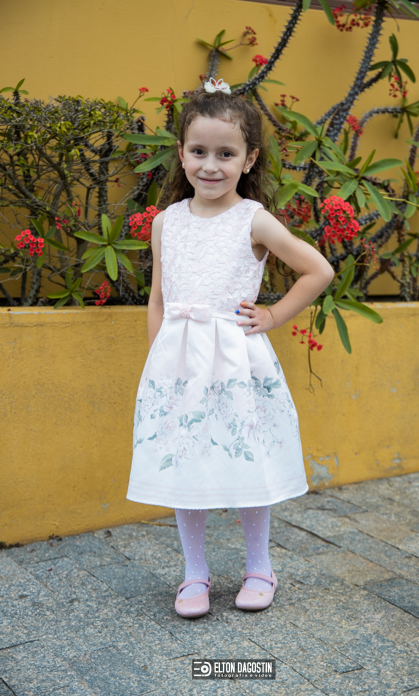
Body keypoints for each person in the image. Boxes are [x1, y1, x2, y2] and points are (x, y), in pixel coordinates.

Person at [126, 78, 335, 619]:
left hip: (237, 362)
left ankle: (259, 566)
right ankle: (194, 572)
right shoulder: (166, 223)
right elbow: (158, 299)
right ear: (181, 153)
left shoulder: (253, 219)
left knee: (246, 457)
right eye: (199, 151)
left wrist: (273, 315)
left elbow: (318, 270)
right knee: (185, 460)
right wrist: (158, 363)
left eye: (226, 154)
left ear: (249, 159)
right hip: (179, 365)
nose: (211, 165)